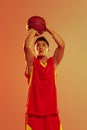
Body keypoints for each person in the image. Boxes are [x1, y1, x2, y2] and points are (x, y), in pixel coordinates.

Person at [24, 20, 65, 130]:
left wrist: (48, 29)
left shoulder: (53, 64)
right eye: (37, 46)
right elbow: (27, 47)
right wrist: (33, 31)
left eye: (43, 45)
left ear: (48, 49)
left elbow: (62, 45)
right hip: (34, 114)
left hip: (52, 114)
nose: (40, 47)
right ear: (35, 50)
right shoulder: (32, 65)